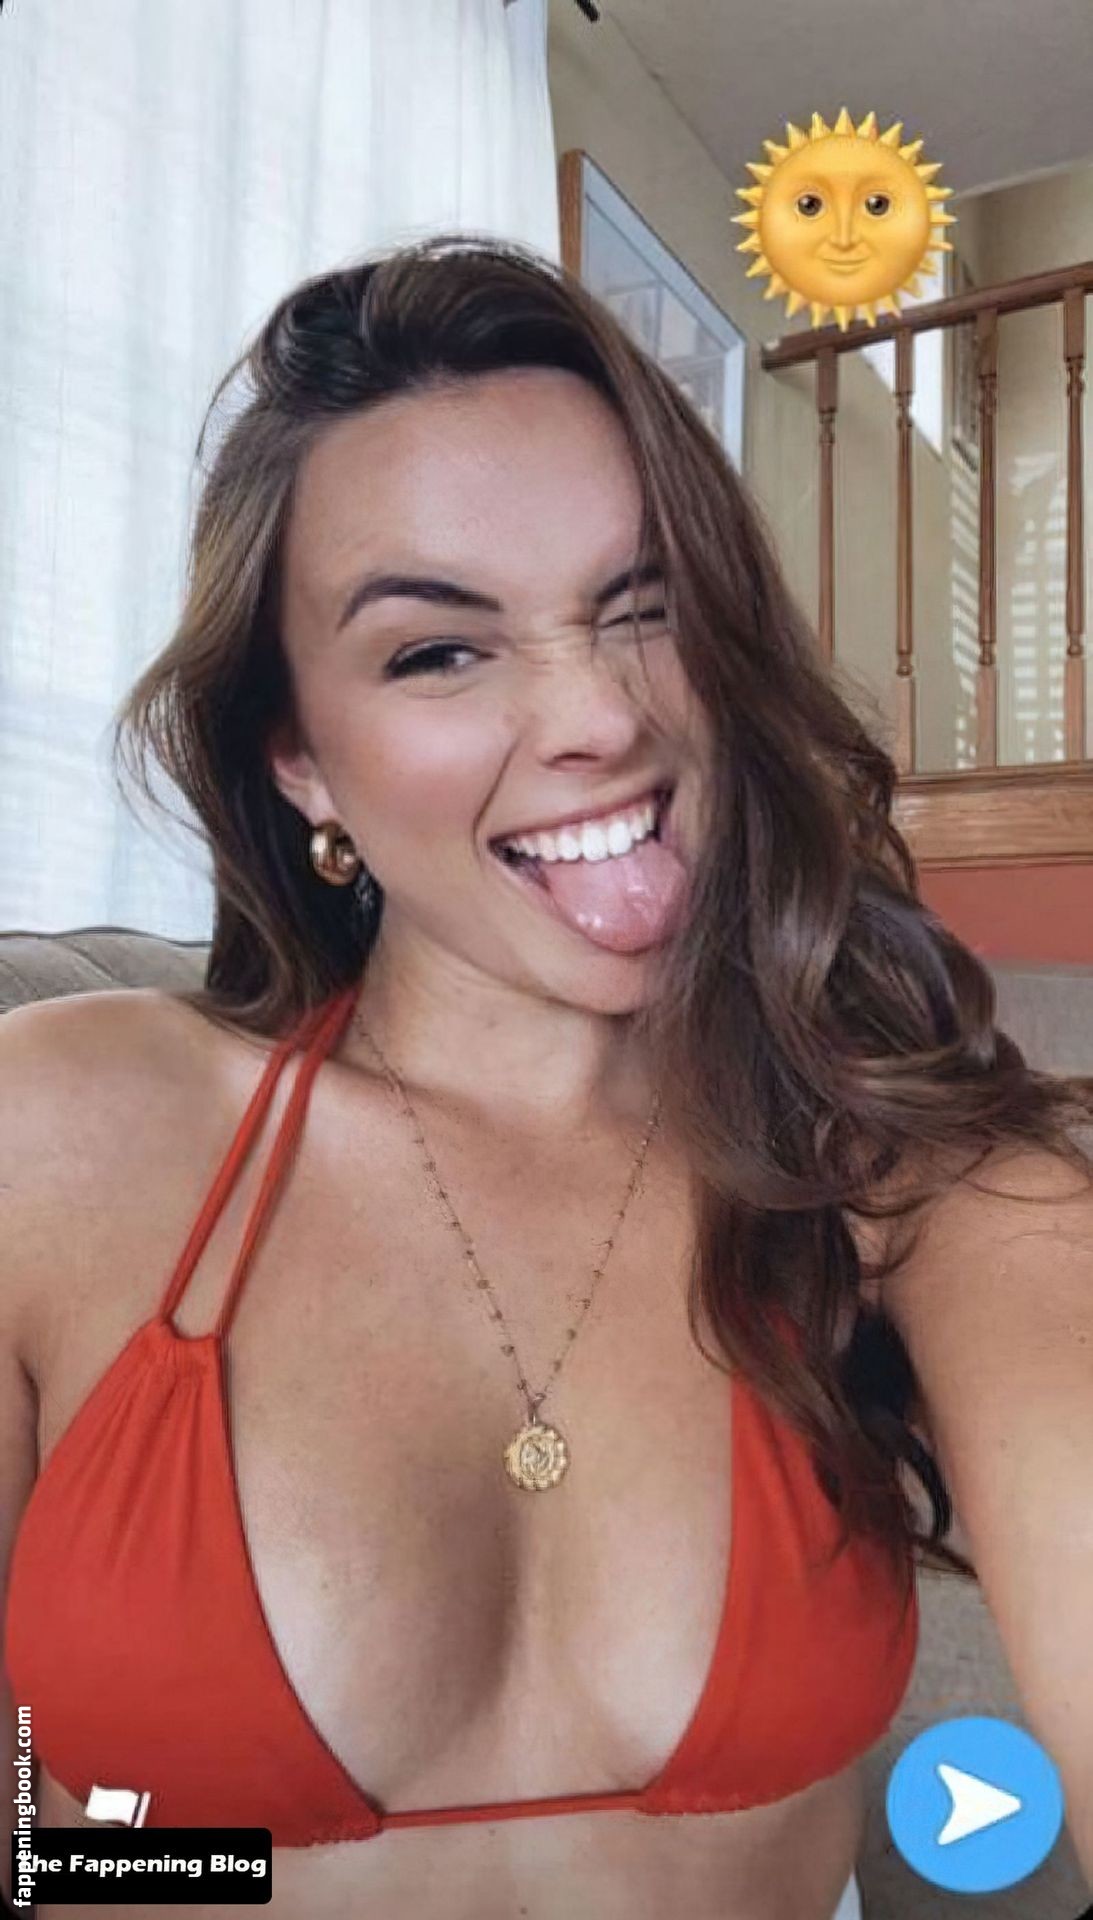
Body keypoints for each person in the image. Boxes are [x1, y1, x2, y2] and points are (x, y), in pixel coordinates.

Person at [2, 234, 1091, 1920]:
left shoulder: (905, 1176)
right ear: (300, 758)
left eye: (645, 608)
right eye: (438, 650)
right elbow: (31, 1848)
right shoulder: (60, 1133)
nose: (596, 715)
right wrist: (200, 1874)